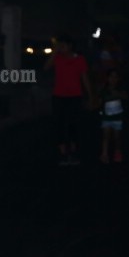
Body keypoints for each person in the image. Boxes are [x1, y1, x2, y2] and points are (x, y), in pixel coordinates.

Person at [47, 33, 91, 166]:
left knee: (73, 124)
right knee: (59, 124)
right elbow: (46, 67)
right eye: (60, 45)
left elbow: (84, 78)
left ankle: (73, 151)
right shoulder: (58, 58)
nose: (61, 48)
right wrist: (54, 52)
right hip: (59, 96)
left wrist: (90, 94)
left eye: (63, 45)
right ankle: (62, 153)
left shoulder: (79, 59)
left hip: (74, 96)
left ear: (70, 46)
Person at [99, 68, 127, 164]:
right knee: (105, 136)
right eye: (111, 77)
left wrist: (117, 94)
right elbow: (100, 99)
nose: (113, 79)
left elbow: (125, 96)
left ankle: (117, 152)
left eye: (115, 77)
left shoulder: (120, 88)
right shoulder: (104, 88)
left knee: (117, 137)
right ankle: (104, 154)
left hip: (117, 117)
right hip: (106, 116)